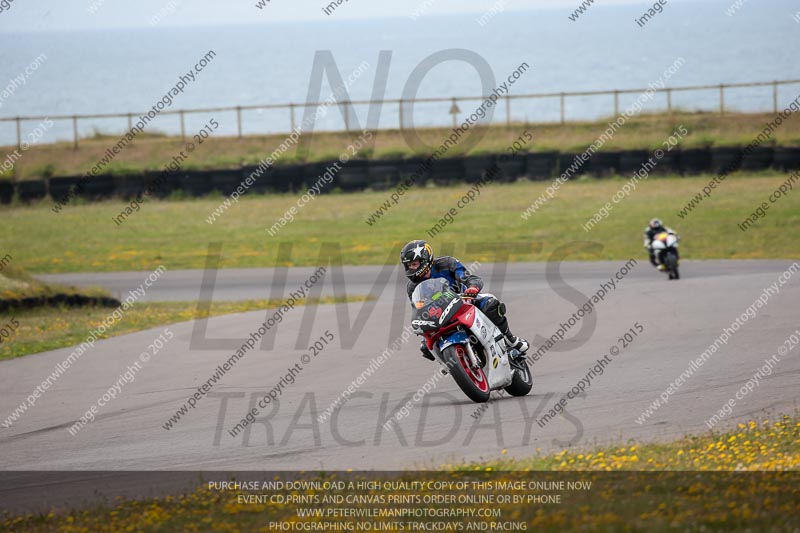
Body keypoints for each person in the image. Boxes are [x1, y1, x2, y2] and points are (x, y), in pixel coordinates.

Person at [400, 240, 529, 362]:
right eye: (408, 266)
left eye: (414, 264)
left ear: (425, 259)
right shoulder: (412, 287)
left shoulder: (446, 263)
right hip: (440, 317)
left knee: (490, 304)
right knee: (425, 347)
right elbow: (418, 308)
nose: (411, 268)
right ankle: (452, 364)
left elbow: (468, 277)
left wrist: (472, 287)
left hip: (465, 302)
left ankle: (509, 339)